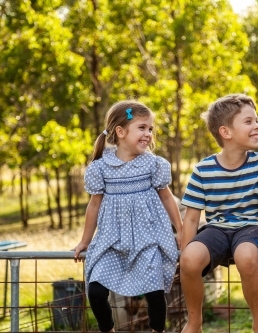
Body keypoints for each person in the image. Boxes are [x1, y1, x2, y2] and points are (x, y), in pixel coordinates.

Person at [72, 100, 183, 333]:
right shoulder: (101, 168)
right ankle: (107, 330)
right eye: (142, 128)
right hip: (112, 240)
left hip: (148, 238)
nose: (148, 134)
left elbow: (166, 197)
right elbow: (93, 206)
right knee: (96, 290)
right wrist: (85, 240)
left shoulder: (153, 164)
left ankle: (157, 331)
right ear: (120, 132)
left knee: (155, 292)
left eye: (150, 129)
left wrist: (181, 230)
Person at [180, 94, 258, 333]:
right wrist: (185, 262)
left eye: (256, 120)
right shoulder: (203, 169)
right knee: (189, 258)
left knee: (246, 256)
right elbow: (192, 218)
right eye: (248, 122)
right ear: (226, 132)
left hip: (250, 229)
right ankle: (194, 321)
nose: (257, 126)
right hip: (216, 230)